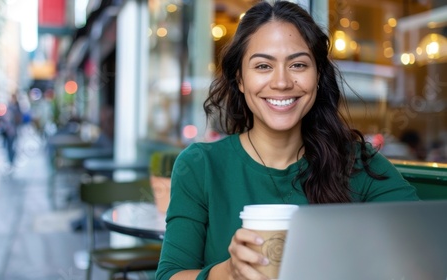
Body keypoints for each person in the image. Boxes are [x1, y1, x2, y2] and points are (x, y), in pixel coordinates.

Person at [155, 2, 419, 280]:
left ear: (317, 76)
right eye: (263, 65)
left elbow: (423, 245)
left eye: (298, 64)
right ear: (240, 79)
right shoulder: (201, 166)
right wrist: (227, 272)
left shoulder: (358, 164)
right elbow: (169, 274)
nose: (281, 82)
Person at [0, 93, 23, 166]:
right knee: (8, 146)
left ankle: (11, 159)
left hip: (13, 131)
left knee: (12, 145)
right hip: (7, 130)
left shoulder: (16, 108)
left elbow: (19, 119)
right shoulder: (9, 107)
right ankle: (10, 160)